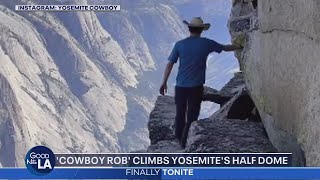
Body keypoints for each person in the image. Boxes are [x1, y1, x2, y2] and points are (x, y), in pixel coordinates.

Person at [159, 17, 242, 148]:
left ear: (189, 28)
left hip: (180, 86)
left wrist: (164, 82)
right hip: (196, 88)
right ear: (201, 30)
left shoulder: (180, 44)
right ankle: (186, 144)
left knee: (180, 114)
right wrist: (240, 46)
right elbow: (225, 48)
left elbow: (170, 64)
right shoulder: (206, 43)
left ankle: (178, 142)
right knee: (192, 116)